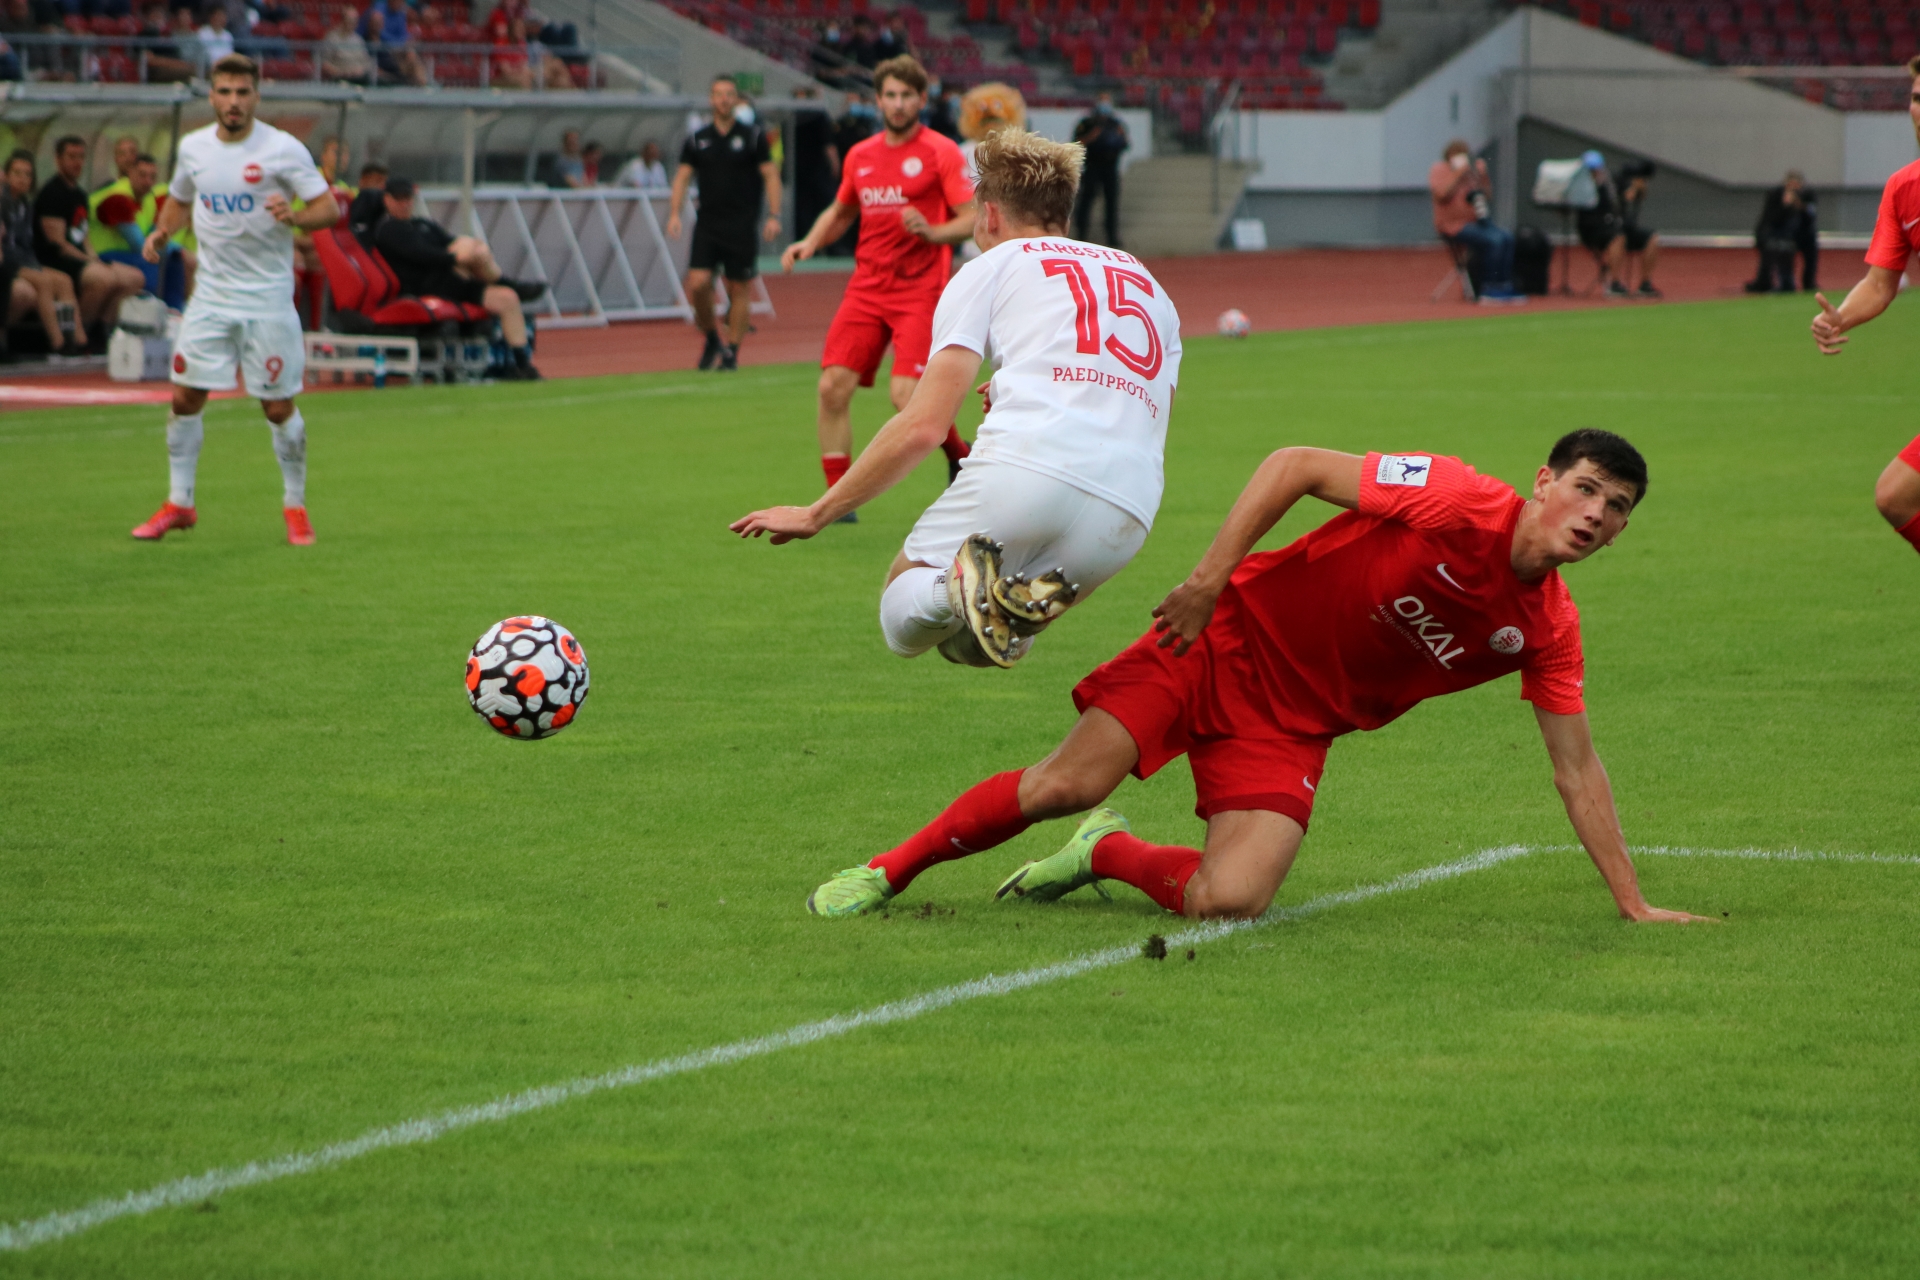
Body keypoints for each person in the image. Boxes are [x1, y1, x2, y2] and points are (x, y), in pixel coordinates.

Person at [802, 431, 1716, 929]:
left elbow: (1577, 767)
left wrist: (1632, 903)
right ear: (1544, 482)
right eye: (1588, 490)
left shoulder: (1550, 630)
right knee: (1064, 783)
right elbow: (1295, 465)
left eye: (1619, 509)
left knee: (1230, 902)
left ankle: (1104, 855)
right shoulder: (1457, 496)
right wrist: (1206, 583)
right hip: (1223, 638)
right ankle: (892, 870)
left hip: (1292, 726)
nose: (1597, 516)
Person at [734, 127, 1181, 672]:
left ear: (989, 215)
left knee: (905, 609)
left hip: (1028, 467)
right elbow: (1146, 409)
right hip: (1129, 507)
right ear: (1063, 210)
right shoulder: (1147, 282)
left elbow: (924, 424)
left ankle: (959, 588)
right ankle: (995, 598)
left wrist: (817, 513)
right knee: (976, 642)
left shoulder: (990, 267)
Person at [130, 55, 340, 547]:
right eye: (224, 92)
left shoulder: (282, 149)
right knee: (184, 397)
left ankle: (295, 506)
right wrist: (164, 231)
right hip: (212, 297)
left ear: (256, 96)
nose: (233, 102)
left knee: (276, 406)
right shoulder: (194, 147)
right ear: (212, 96)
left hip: (266, 299)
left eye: (243, 93)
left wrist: (295, 216)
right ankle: (180, 503)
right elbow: (181, 198)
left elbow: (326, 207)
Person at [781, 55, 976, 506]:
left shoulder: (940, 151)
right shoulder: (861, 155)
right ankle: (836, 496)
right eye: (890, 95)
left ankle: (958, 455)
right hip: (867, 287)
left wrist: (934, 232)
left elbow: (970, 219)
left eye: (907, 95)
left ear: (922, 100)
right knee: (832, 386)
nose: (899, 103)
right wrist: (809, 241)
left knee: (906, 397)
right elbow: (842, 210)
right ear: (878, 100)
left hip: (920, 289)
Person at [1809, 53, 1920, 559]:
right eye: (1917, 98)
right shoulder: (1904, 188)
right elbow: (1880, 283)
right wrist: (1840, 317)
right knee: (1895, 496)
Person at [373, 176, 546, 380]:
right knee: (469, 248)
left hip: (453, 280)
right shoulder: (388, 229)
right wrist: (456, 258)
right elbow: (421, 255)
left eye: (408, 198)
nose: (405, 203)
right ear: (387, 200)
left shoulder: (422, 224)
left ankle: (522, 365)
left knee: (507, 297)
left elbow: (450, 241)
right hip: (426, 285)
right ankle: (504, 281)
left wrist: (469, 254)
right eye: (399, 199)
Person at [666, 74, 782, 372]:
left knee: (739, 287)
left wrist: (774, 215)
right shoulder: (697, 138)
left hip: (742, 224)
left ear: (736, 99)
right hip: (708, 224)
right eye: (718, 94)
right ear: (711, 99)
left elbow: (770, 175)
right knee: (699, 283)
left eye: (729, 94)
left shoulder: (754, 136)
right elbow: (682, 177)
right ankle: (710, 337)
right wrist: (675, 213)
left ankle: (731, 352)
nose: (724, 99)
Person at [33, 136, 144, 352]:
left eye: (81, 157)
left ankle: (103, 330)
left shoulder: (80, 194)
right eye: (71, 157)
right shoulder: (51, 194)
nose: (77, 163)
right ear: (58, 159)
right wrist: (89, 262)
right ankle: (78, 331)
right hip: (58, 260)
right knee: (102, 278)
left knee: (134, 278)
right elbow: (58, 244)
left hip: (81, 258)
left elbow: (83, 237)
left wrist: (95, 258)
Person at [1, 149, 78, 357]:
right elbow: (8, 245)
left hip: (24, 259)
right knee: (43, 281)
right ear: (6, 175)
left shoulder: (26, 204)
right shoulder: (3, 201)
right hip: (9, 260)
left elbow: (26, 243)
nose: (23, 179)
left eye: (27, 174)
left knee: (63, 281)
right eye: (17, 173)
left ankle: (78, 338)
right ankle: (58, 343)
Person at [90, 152, 189, 309]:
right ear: (130, 173)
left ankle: (173, 311)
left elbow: (152, 234)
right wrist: (170, 248)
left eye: (152, 177)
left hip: (126, 253)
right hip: (101, 254)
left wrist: (174, 250)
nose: (148, 182)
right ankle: (145, 312)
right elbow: (138, 244)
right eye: (142, 175)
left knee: (175, 258)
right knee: (150, 261)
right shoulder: (118, 197)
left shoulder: (147, 199)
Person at [1428, 138, 1523, 303]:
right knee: (1495, 241)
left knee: (1506, 237)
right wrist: (1457, 173)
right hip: (1453, 226)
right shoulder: (1440, 170)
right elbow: (1441, 195)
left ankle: (1504, 284)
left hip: (1477, 222)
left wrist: (1483, 175)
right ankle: (1489, 287)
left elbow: (1486, 196)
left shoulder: (1470, 174)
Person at [1576, 151, 1660, 299]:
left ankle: (1645, 284)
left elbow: (1630, 195)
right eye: (1590, 169)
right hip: (1593, 230)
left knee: (1651, 238)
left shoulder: (1611, 182)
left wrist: (1637, 187)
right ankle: (1614, 284)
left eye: (1596, 168)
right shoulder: (1578, 187)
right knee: (1617, 238)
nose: (1594, 172)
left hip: (1615, 226)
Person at [1747, 170, 1817, 294]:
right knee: (1776, 252)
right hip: (1778, 234)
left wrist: (1798, 205)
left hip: (1801, 235)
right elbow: (1771, 218)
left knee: (1810, 253)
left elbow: (1810, 217)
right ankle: (1768, 282)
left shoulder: (1807, 195)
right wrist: (1785, 205)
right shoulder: (1775, 194)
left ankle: (1808, 283)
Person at [1071, 92, 1127, 247]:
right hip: (1092, 167)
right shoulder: (1087, 122)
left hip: (1110, 168)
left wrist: (1121, 138)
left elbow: (1125, 144)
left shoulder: (1115, 123)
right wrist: (1092, 136)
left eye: (1107, 102)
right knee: (1086, 201)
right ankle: (1081, 236)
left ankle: (1112, 238)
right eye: (1103, 101)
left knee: (1111, 204)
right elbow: (1077, 144)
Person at [319, 6, 373, 83]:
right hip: (338, 80)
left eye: (355, 21)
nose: (353, 23)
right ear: (342, 20)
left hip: (358, 80)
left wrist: (361, 70)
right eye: (350, 20)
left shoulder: (359, 40)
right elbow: (324, 64)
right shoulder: (331, 38)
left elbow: (367, 63)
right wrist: (342, 73)